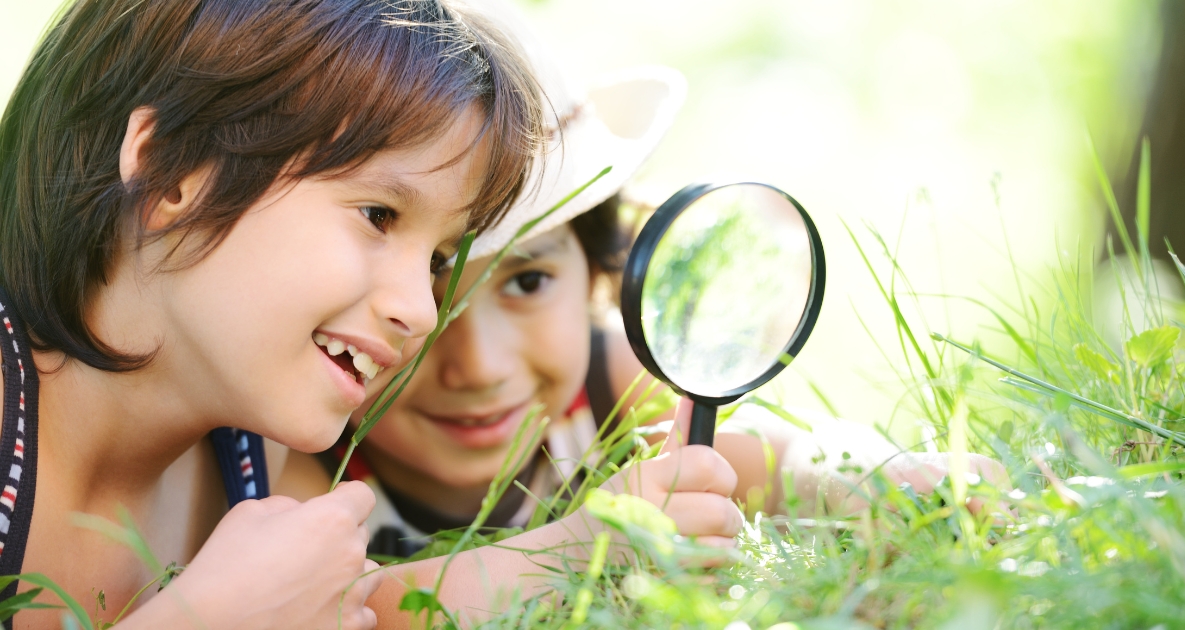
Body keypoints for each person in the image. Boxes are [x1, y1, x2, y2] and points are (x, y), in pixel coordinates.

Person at [275, 2, 1008, 625]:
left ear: (597, 274)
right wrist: (582, 544)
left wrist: (881, 476)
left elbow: (769, 459)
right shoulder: (307, 452)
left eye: (527, 282)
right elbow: (351, 609)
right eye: (436, 286)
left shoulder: (610, 379)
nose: (480, 366)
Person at [0, 0, 553, 627]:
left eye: (436, 259)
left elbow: (357, 612)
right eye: (379, 215)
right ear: (168, 174)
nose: (420, 312)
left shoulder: (252, 452)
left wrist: (599, 542)